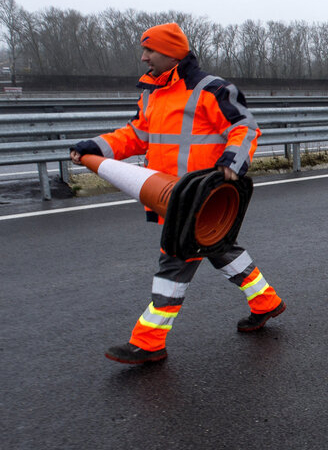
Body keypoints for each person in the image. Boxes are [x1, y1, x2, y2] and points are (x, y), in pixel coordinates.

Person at [70, 23, 285, 364]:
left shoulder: (211, 89)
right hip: (168, 194)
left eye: (150, 50)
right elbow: (135, 135)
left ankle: (148, 341)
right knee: (219, 248)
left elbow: (244, 128)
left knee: (174, 261)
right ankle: (266, 302)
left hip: (200, 197)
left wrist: (232, 163)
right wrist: (94, 147)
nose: (144, 57)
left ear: (171, 53)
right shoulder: (151, 92)